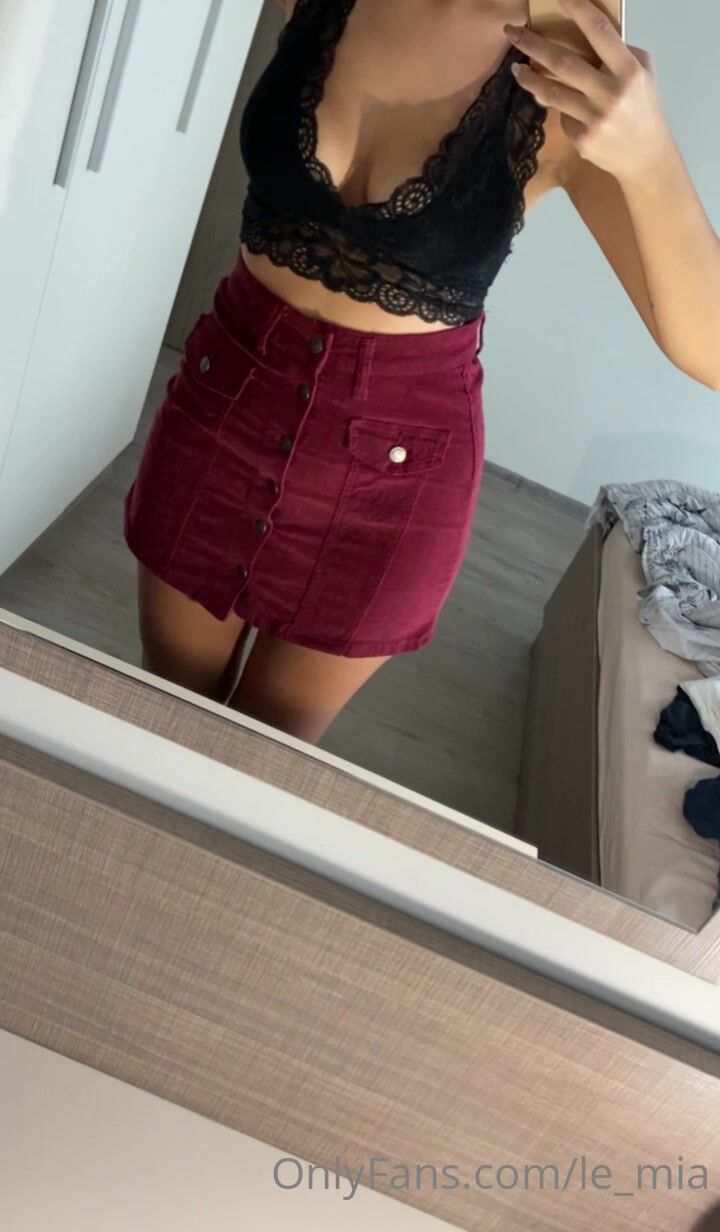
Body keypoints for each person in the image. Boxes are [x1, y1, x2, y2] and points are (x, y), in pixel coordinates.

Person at [124, 0, 720, 744]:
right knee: (159, 717)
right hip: (223, 407)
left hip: (392, 485)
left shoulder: (567, 62)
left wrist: (652, 158)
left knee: (259, 758)